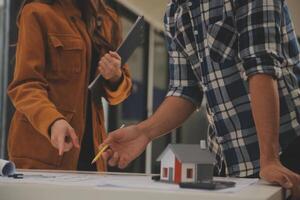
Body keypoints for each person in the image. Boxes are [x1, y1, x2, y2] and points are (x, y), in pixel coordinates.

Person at [101, 0, 300, 197]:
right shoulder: (174, 12)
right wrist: (143, 132)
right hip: (229, 162)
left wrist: (270, 159)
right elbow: (184, 90)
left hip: (285, 151)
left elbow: (261, 69)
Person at [7, 0, 132, 171]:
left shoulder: (108, 19)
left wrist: (115, 77)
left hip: (93, 153)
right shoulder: (36, 12)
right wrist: (53, 121)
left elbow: (119, 94)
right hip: (44, 150)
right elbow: (25, 85)